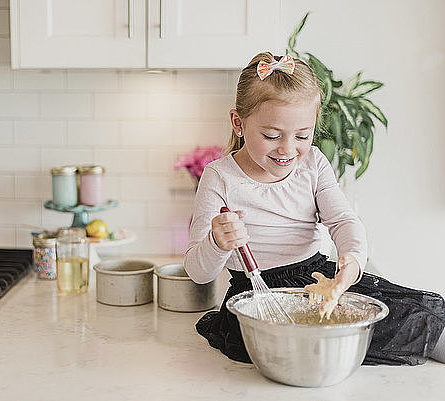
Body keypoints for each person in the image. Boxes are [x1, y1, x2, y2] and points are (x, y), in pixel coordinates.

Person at [184, 52, 445, 366]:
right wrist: (217, 242)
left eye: (302, 135)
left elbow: (343, 220)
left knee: (415, 315)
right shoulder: (219, 178)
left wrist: (352, 261)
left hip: (316, 282)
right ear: (238, 123)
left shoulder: (313, 164)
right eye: (271, 135)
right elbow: (198, 273)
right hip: (258, 301)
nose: (287, 148)